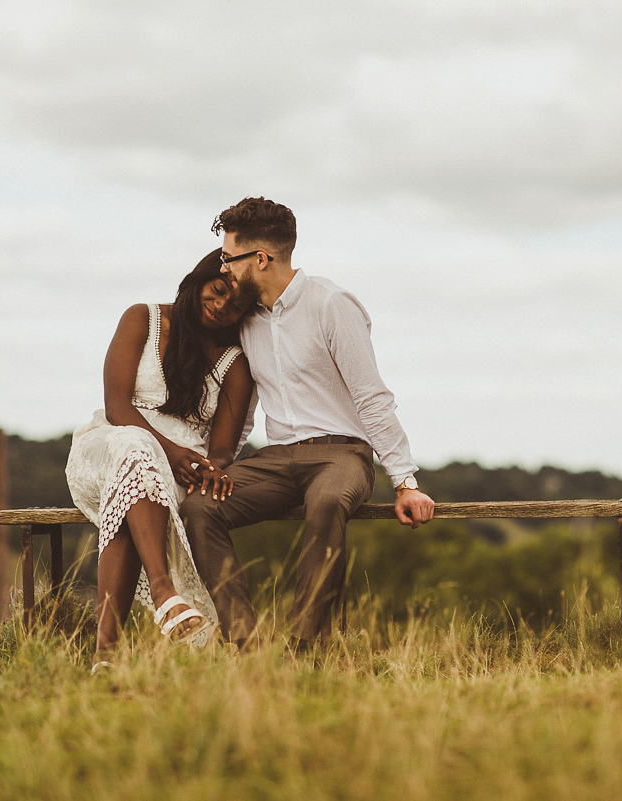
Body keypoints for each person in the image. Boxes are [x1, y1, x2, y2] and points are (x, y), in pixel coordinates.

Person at [182, 197, 436, 649]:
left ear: (261, 259)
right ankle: (246, 646)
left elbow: (371, 395)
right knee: (201, 508)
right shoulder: (248, 321)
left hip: (342, 455)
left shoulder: (331, 304)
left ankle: (304, 650)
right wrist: (220, 463)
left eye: (229, 259)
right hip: (277, 460)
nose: (224, 270)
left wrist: (405, 480)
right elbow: (246, 406)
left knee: (326, 502)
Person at [65, 249, 255, 669]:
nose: (222, 305)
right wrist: (168, 451)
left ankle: (105, 657)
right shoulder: (143, 319)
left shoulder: (233, 363)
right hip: (109, 447)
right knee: (135, 450)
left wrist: (205, 467)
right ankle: (163, 590)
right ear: (199, 280)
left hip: (179, 471)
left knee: (136, 489)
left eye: (235, 306)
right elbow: (117, 407)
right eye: (218, 290)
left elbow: (223, 448)